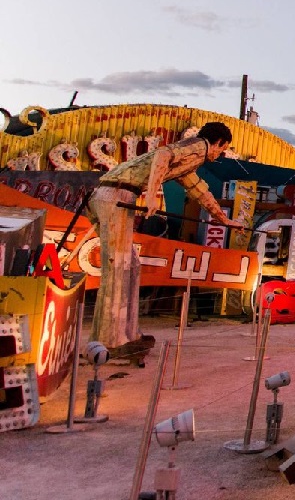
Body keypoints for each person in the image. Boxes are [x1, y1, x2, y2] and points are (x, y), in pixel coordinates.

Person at [89, 121, 243, 349]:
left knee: (131, 266)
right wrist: (152, 195)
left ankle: (128, 334)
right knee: (119, 267)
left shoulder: (188, 163)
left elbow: (201, 192)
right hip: (117, 195)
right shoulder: (199, 146)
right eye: (222, 149)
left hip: (113, 194)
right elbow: (163, 154)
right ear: (218, 142)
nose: (220, 155)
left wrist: (225, 220)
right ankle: (111, 341)